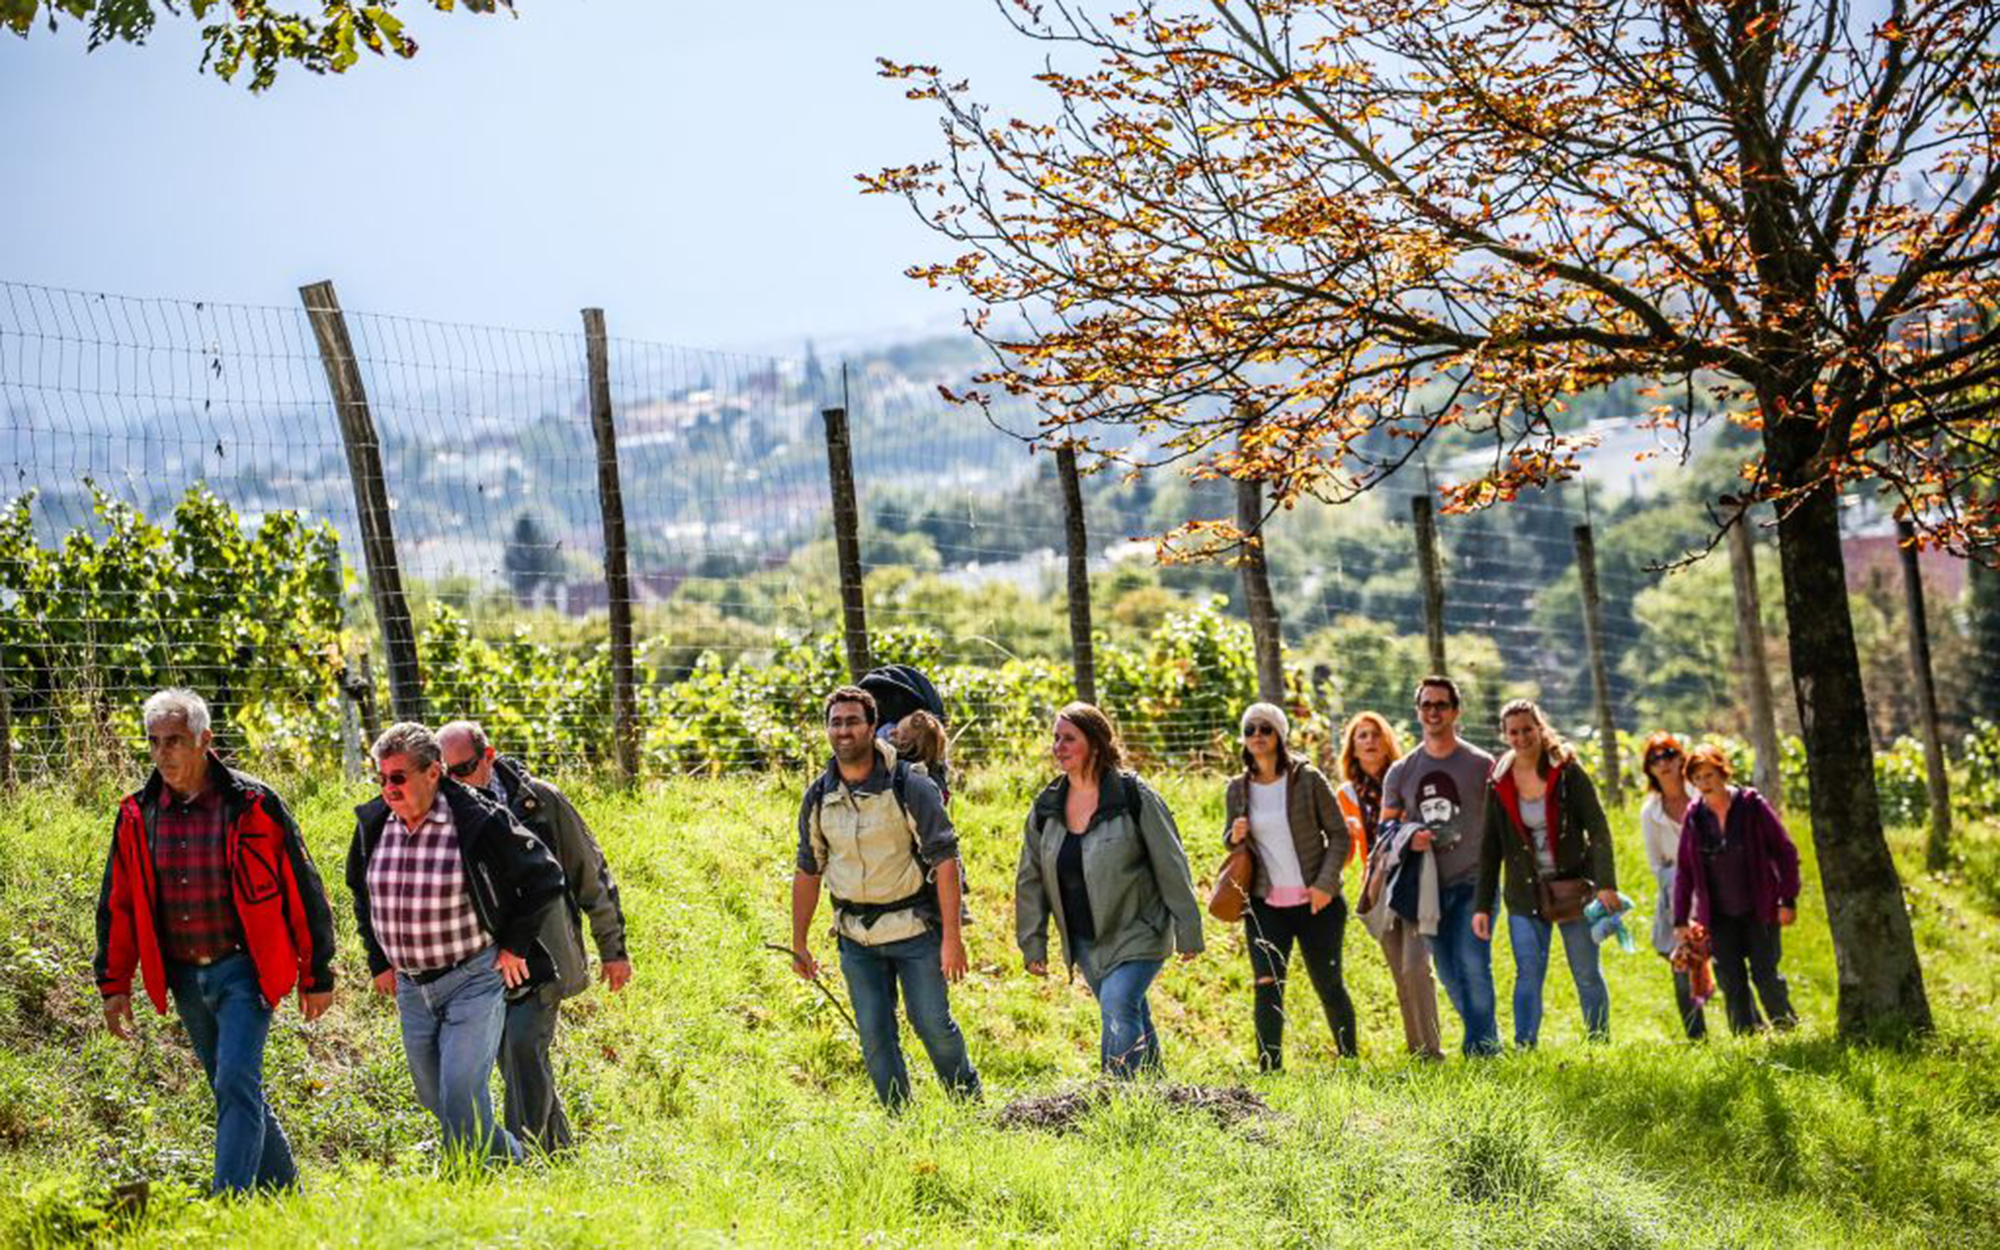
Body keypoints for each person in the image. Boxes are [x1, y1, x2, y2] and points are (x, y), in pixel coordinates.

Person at [94, 689, 337, 1195]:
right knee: (231, 1087)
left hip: (244, 969)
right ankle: (285, 1191)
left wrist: (318, 973)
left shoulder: (254, 804)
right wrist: (113, 983)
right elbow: (118, 903)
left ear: (205, 741)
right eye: (154, 742)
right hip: (182, 974)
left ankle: (228, 1202)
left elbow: (303, 887)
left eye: (176, 741)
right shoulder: (138, 813)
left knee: (233, 1083)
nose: (163, 754)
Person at [347, 723, 567, 1161]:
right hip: (412, 987)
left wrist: (515, 945)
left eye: (397, 777)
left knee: (462, 1093)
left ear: (432, 773)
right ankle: (514, 1162)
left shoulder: (477, 819)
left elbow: (545, 876)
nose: (388, 788)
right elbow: (360, 891)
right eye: (381, 777)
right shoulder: (374, 824)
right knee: (436, 1098)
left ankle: (469, 1182)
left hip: (473, 978)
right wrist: (379, 960)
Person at [436, 720, 632, 1154]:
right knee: (516, 1059)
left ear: (488, 757)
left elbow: (590, 874)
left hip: (545, 955)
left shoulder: (541, 802)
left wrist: (612, 950)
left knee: (523, 1047)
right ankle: (558, 1152)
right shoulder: (441, 816)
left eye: (463, 769)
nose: (453, 782)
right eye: (442, 772)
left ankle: (526, 1159)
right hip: (484, 962)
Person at [790, 686, 979, 1108]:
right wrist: (798, 943)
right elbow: (808, 869)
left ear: (873, 726)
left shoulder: (910, 784)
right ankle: (902, 1123)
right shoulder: (819, 796)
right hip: (855, 938)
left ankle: (970, 1108)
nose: (844, 730)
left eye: (853, 721)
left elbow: (945, 861)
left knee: (932, 1024)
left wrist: (953, 938)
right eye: (835, 722)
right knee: (875, 1036)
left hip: (915, 931)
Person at [1016, 702, 1204, 1077]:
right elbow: (1030, 880)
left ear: (1096, 745)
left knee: (1118, 1005)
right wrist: (1032, 942)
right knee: (1130, 1013)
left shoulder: (1133, 796)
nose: (1058, 746)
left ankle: (1116, 1099)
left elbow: (1171, 864)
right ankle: (1157, 1095)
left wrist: (1188, 929)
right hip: (1086, 939)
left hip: (1139, 929)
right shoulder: (1046, 807)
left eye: (1069, 738)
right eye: (1056, 738)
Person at [1472, 699, 1619, 1047]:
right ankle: (1525, 1046)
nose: (1522, 737)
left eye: (1527, 729)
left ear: (1540, 728)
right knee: (1528, 974)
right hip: (1525, 893)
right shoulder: (1499, 781)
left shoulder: (1567, 772)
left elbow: (1598, 829)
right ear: (1504, 735)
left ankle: (1599, 1044)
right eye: (1514, 731)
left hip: (1573, 888)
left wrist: (1606, 885)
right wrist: (1482, 905)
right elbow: (1489, 849)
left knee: (1585, 972)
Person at [1222, 701, 1357, 1070]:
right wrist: (1232, 836)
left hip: (1317, 904)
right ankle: (1270, 1069)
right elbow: (1232, 844)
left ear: (1280, 735)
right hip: (1265, 905)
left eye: (1265, 729)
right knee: (1266, 985)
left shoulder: (1308, 779)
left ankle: (1349, 1061)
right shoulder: (1237, 789)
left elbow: (1340, 835)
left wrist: (1325, 885)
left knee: (1328, 984)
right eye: (1250, 730)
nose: (1257, 736)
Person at [1380, 676, 1499, 1056]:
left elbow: (1503, 824)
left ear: (1456, 711)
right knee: (1448, 972)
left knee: (1473, 964)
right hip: (1427, 888)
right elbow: (1385, 827)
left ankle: (1482, 1049)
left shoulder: (1481, 765)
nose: (1433, 712)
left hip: (1474, 882)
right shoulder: (1402, 770)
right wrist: (1408, 835)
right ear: (1418, 712)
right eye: (1426, 705)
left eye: (1441, 705)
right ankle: (1483, 1039)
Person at [1672, 745, 1802, 1034]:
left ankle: (1789, 1031)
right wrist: (1681, 919)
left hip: (1760, 909)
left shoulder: (1752, 806)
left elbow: (1785, 851)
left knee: (1765, 975)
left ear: (1723, 772)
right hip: (1718, 916)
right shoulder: (1695, 818)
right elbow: (1685, 872)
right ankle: (1746, 1037)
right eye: (1697, 778)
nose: (1705, 783)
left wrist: (1788, 899)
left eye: (1709, 775)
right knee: (1731, 980)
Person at [1343, 711, 1443, 1059]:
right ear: (1352, 749)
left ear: (1387, 741)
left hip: (1415, 878)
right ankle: (1417, 1052)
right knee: (1399, 973)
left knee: (1416, 966)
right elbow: (1345, 851)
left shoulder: (1408, 781)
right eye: (1362, 736)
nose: (1370, 741)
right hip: (1377, 885)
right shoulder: (1346, 794)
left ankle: (1433, 1050)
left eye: (1376, 735)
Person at [1639, 732, 1706, 1038]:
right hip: (1676, 893)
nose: (1662, 763)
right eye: (1655, 759)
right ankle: (1697, 1037)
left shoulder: (1702, 795)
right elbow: (1657, 863)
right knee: (1681, 968)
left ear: (1681, 758)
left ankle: (1750, 1029)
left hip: (1713, 888)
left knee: (1732, 966)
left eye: (1668, 754)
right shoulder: (1650, 813)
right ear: (1649, 769)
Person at [891, 709, 952, 805]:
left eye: (896, 733)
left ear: (905, 744)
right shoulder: (936, 772)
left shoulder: (900, 771)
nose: (891, 732)